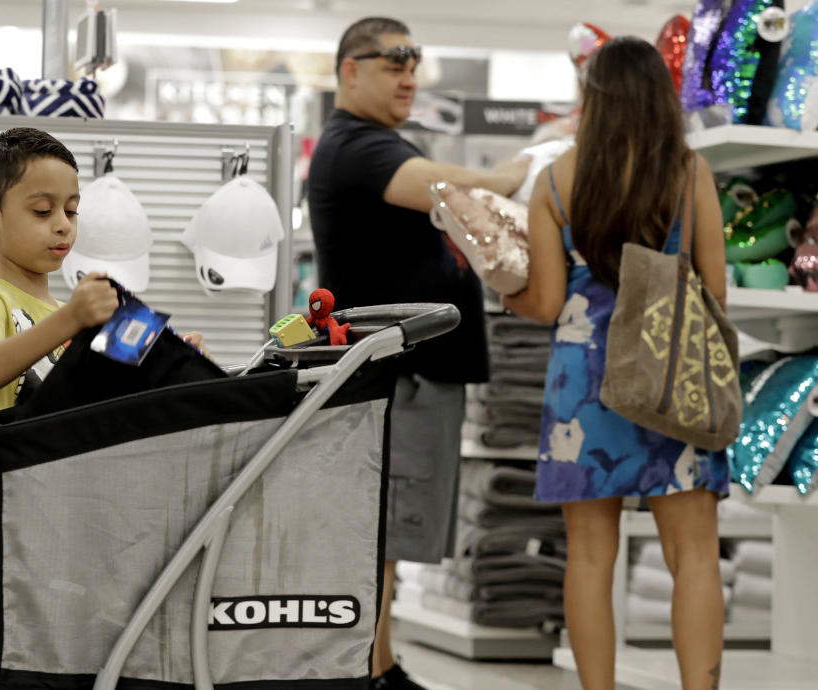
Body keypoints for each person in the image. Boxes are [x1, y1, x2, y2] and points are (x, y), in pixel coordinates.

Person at [308, 17, 528, 689]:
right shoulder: (357, 147)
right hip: (393, 378)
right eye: (391, 61)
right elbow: (469, 187)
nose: (408, 75)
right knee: (378, 533)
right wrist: (530, 163)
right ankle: (367, 673)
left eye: (414, 62)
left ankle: (378, 664)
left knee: (387, 538)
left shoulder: (372, 143)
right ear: (350, 70)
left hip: (407, 377)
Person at [504, 37, 729, 690]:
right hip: (674, 374)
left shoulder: (555, 180)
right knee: (694, 557)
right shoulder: (687, 173)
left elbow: (545, 302)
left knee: (589, 557)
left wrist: (504, 288)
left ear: (591, 100)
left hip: (583, 382)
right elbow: (712, 289)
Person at [0, 127, 119, 420]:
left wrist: (173, 360)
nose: (63, 224)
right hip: (8, 466)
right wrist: (71, 320)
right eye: (42, 211)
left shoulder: (68, 314)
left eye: (71, 210)